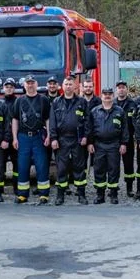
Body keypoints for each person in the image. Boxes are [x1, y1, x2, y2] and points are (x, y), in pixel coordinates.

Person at [11, 76, 51, 205]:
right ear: (24, 85)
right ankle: (23, 195)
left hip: (38, 136)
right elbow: (15, 120)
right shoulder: (19, 101)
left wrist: (49, 135)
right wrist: (15, 138)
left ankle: (43, 195)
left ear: (37, 84)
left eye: (32, 83)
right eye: (28, 83)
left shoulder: (44, 100)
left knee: (42, 165)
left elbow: (48, 119)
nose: (30, 85)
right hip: (23, 137)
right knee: (22, 166)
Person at [50, 77, 89, 205]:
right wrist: (54, 138)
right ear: (62, 86)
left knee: (79, 167)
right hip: (62, 139)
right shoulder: (56, 102)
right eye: (66, 84)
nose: (68, 86)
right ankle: (60, 196)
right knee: (61, 168)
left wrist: (85, 136)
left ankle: (81, 195)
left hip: (78, 139)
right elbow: (52, 122)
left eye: (70, 84)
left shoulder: (82, 102)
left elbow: (87, 121)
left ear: (75, 86)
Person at [88, 87, 128, 204]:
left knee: (114, 169)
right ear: (101, 96)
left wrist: (124, 143)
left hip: (114, 145)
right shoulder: (94, 111)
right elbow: (90, 129)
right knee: (99, 169)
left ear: (113, 95)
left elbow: (125, 129)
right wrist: (90, 142)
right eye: (105, 94)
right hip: (99, 145)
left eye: (109, 94)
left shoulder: (119, 111)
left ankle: (113, 194)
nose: (107, 96)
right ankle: (100, 195)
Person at [115, 81, 140, 199]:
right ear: (116, 90)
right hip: (114, 139)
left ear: (127, 89)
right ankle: (113, 187)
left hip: (129, 139)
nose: (121, 90)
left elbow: (137, 122)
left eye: (123, 88)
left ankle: (129, 188)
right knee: (113, 165)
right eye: (119, 88)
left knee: (129, 165)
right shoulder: (112, 103)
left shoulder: (133, 104)